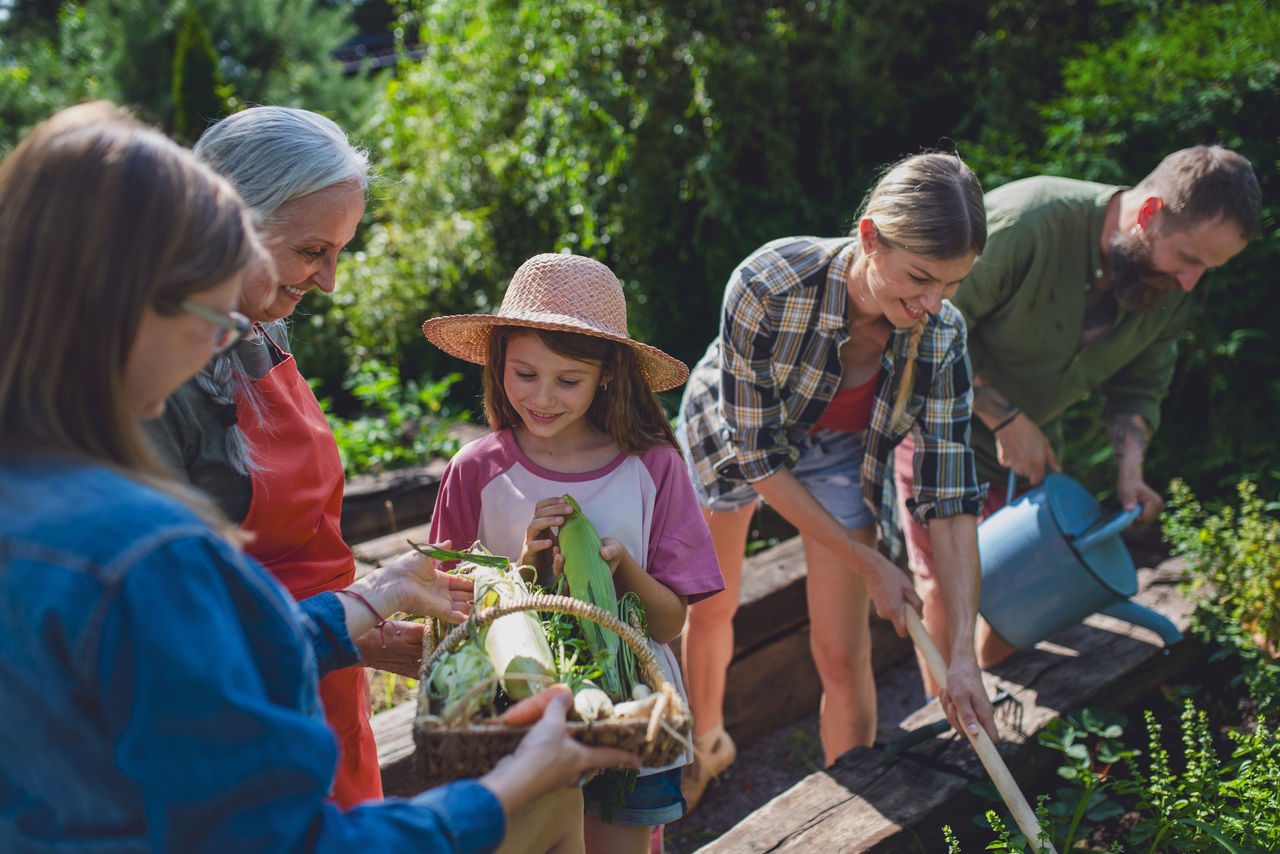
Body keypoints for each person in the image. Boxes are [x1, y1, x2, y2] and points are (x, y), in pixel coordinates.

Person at [0, 101, 641, 853]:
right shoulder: (152, 553)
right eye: (214, 315)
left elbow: (199, 659)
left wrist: (369, 600)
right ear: (134, 300)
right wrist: (504, 791)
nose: (224, 338)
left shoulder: (34, 492)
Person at [676, 152, 999, 809]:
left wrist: (962, 650)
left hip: (841, 452)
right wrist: (867, 561)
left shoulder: (942, 334)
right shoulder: (767, 281)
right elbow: (759, 454)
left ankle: (846, 815)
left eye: (953, 284)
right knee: (713, 604)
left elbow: (951, 495)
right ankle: (703, 743)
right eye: (920, 278)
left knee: (844, 654)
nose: (934, 302)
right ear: (870, 238)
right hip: (737, 427)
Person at [894, 145, 1262, 674]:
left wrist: (1130, 471)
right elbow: (928, 328)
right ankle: (947, 729)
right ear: (1150, 214)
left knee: (1018, 598)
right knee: (947, 592)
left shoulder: (1167, 287)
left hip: (1029, 453)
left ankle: (989, 703)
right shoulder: (1031, 221)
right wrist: (1004, 418)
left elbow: (1140, 386)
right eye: (1189, 260)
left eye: (1208, 268)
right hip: (936, 431)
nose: (1191, 282)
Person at [422, 253, 726, 854]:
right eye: (524, 373)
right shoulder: (476, 471)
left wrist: (621, 570)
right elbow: (448, 616)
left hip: (628, 714)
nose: (542, 398)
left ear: (607, 374)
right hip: (515, 721)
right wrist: (527, 566)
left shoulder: (654, 468)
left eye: (568, 381)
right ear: (498, 362)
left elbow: (668, 623)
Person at [143, 106, 398, 807]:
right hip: (244, 728)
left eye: (339, 251)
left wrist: (368, 633)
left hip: (327, 685)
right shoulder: (153, 379)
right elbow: (181, 631)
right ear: (231, 221)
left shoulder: (260, 324)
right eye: (313, 251)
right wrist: (371, 606)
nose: (329, 281)